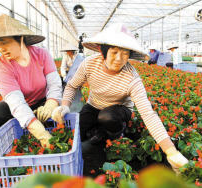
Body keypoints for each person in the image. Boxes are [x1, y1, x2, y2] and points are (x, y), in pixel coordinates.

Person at [51, 22, 188, 174]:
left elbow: (148, 114)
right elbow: (72, 86)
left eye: (124, 53)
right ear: (103, 52)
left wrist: (172, 152)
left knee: (107, 117)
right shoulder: (89, 64)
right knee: (77, 134)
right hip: (94, 105)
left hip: (118, 110)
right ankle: (101, 130)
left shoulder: (131, 77)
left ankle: (116, 132)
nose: (119, 58)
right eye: (114, 52)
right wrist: (64, 105)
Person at [0, 14, 62, 148]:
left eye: (4, 43)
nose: (1, 49)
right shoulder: (2, 67)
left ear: (21, 38)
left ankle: (35, 124)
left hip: (43, 102)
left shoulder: (42, 54)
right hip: (20, 107)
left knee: (56, 112)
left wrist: (49, 106)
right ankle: (29, 130)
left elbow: (55, 85)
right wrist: (42, 136)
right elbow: (17, 104)